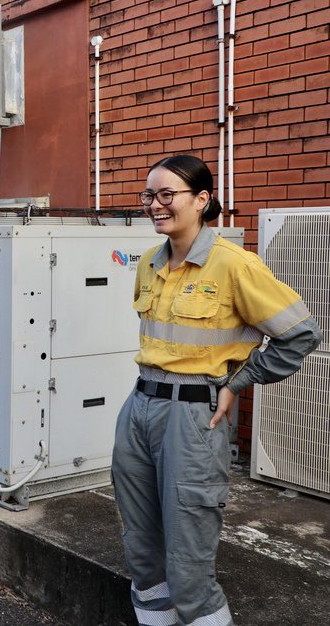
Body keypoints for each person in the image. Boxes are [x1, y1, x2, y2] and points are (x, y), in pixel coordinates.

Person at [112, 155, 321, 626]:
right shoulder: (149, 262)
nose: (155, 205)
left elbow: (301, 333)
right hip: (140, 408)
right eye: (149, 195)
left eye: (168, 195)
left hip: (192, 418)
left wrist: (240, 382)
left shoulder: (233, 265)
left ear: (202, 200)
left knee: (187, 565)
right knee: (143, 556)